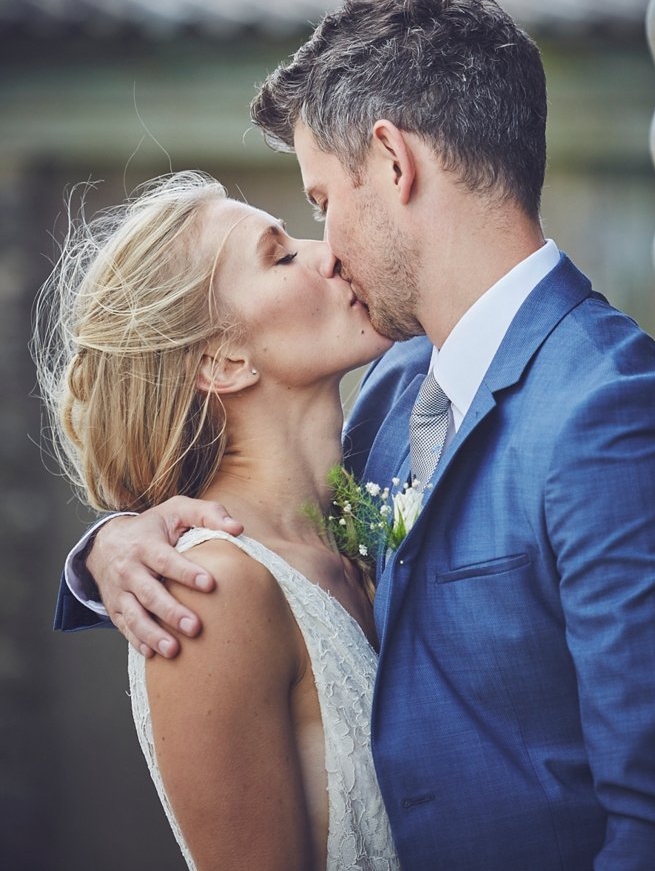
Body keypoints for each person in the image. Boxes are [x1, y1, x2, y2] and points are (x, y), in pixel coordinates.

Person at [57, 0, 655, 869]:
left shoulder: (611, 414)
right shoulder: (395, 394)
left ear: (391, 162)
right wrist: (111, 542)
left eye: (319, 201)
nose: (327, 247)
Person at [37, 171, 399, 870]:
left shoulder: (361, 531)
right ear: (223, 361)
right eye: (281, 256)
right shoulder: (213, 592)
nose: (326, 252)